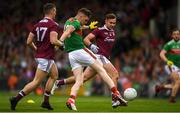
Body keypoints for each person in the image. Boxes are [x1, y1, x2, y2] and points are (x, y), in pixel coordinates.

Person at [57, 8, 127, 111]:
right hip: (84, 51)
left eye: (114, 23)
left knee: (80, 80)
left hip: (71, 54)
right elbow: (70, 30)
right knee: (106, 71)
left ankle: (69, 98)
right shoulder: (80, 24)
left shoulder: (70, 20)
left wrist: (88, 26)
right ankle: (115, 95)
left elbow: (77, 27)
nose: (113, 24)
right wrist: (61, 41)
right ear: (81, 16)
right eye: (86, 20)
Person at [9, 3, 63, 110]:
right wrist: (62, 44)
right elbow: (53, 41)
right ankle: (16, 98)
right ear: (52, 11)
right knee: (36, 82)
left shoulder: (37, 24)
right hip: (46, 57)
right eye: (55, 10)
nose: (55, 12)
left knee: (54, 75)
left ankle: (45, 102)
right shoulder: (53, 25)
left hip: (42, 56)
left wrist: (37, 49)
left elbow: (28, 41)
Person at [156, 28, 180, 103]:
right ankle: (172, 98)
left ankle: (161, 87)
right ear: (172, 36)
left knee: (175, 84)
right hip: (171, 66)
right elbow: (161, 54)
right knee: (178, 81)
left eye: (178, 34)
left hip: (178, 67)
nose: (176, 36)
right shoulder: (169, 44)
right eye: (174, 34)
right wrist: (167, 61)